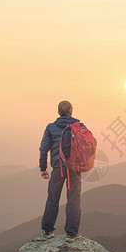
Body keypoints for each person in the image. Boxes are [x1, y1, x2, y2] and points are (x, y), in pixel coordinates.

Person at [39, 100, 86, 243]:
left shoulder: (51, 127)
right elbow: (91, 143)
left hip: (58, 168)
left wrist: (43, 168)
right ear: (71, 111)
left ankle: (47, 231)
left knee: (53, 199)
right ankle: (72, 234)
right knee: (74, 200)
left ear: (58, 112)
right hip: (74, 169)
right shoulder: (79, 126)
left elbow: (43, 149)